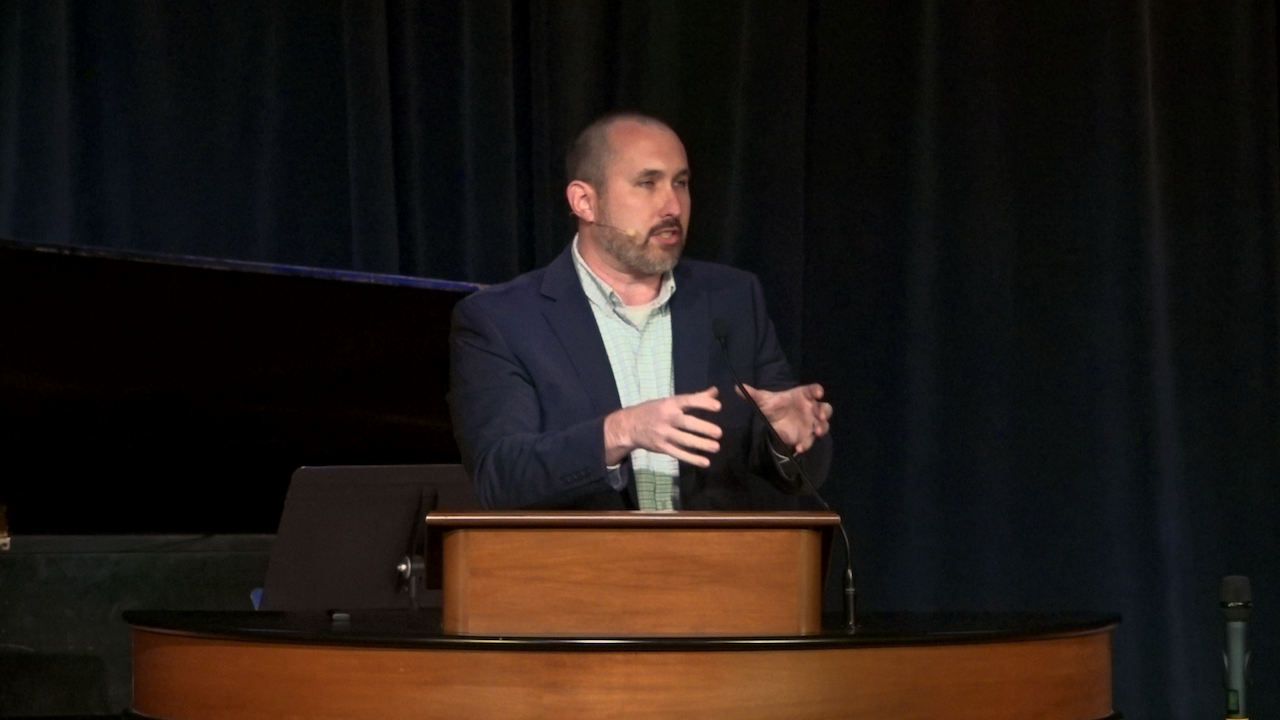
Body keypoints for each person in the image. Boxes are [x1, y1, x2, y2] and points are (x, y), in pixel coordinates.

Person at [448, 112, 832, 510]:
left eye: (680, 183)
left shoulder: (732, 299)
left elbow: (797, 471)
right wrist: (620, 431)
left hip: (715, 566)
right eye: (647, 183)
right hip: (580, 568)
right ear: (585, 201)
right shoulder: (504, 320)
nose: (672, 205)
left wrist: (787, 440)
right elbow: (500, 476)